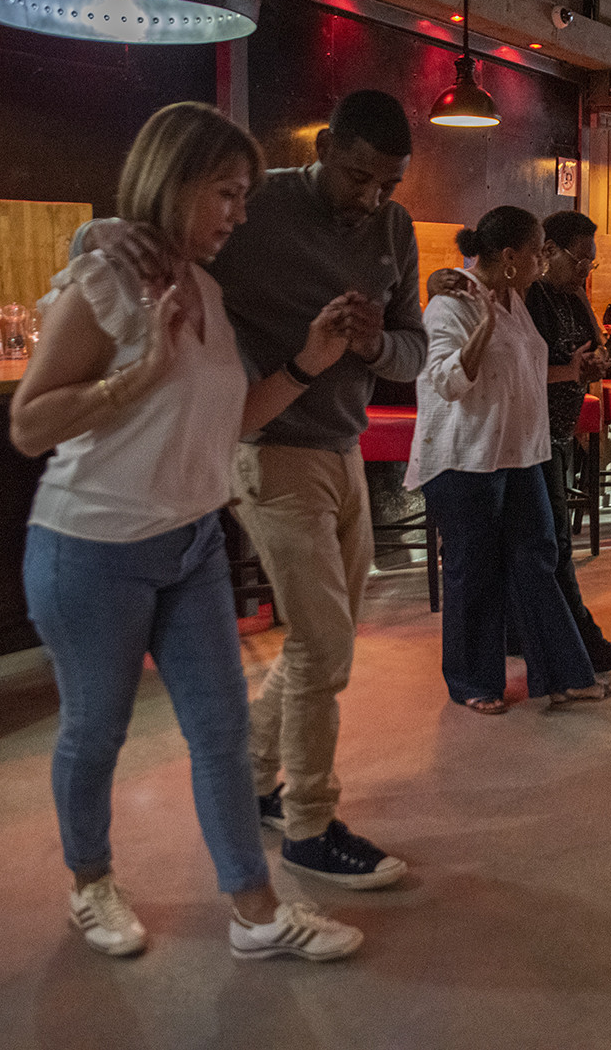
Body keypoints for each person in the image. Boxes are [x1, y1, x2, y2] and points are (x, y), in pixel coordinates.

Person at [11, 101, 363, 963]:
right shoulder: (103, 282)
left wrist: (307, 364)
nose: (239, 214)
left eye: (245, 195)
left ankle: (255, 910)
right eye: (227, 193)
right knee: (97, 730)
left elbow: (227, 421)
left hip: (192, 542)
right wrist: (139, 374)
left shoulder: (206, 290)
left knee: (221, 733)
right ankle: (90, 883)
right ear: (174, 181)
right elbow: (29, 423)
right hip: (92, 548)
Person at [208, 90, 422, 891]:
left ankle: (251, 779)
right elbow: (176, 271)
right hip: (271, 448)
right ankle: (307, 827)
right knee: (324, 643)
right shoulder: (253, 212)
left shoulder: (393, 227)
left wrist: (374, 344)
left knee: (320, 640)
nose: (371, 197)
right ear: (325, 146)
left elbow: (415, 350)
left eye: (388, 184)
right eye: (359, 177)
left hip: (344, 447)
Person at [405, 207, 611, 711]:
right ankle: (473, 683)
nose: (542, 262)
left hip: (520, 453)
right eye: (536, 253)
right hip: (465, 460)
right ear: (508, 256)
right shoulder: (450, 303)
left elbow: (524, 372)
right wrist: (482, 326)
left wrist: (574, 370)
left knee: (538, 558)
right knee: (474, 571)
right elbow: (448, 383)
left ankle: (566, 675)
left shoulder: (514, 301)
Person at [524, 211, 611, 672]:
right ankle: (580, 640)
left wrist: (596, 358)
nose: (586, 268)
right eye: (580, 259)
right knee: (555, 544)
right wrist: (573, 370)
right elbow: (520, 370)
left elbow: (595, 345)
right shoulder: (531, 296)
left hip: (559, 431)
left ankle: (537, 636)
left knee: (550, 541)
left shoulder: (571, 294)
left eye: (592, 261)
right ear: (548, 251)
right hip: (532, 434)